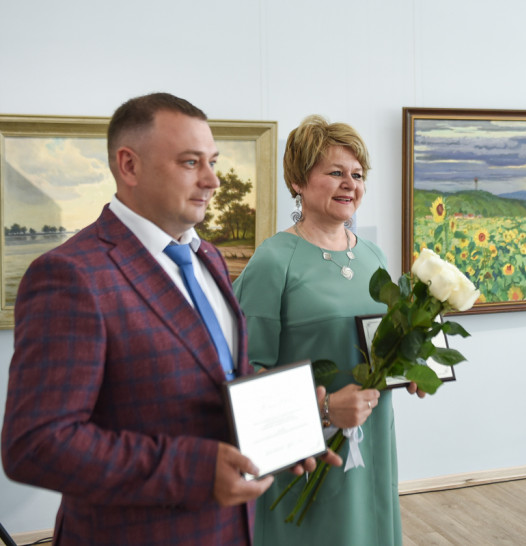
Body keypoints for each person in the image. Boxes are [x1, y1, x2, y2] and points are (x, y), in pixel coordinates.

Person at [1, 93, 339, 546]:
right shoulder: (71, 276)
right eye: (190, 162)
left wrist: (283, 424)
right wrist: (194, 471)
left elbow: (218, 377)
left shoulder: (208, 257)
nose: (212, 180)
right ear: (129, 165)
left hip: (230, 529)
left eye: (212, 162)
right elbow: (35, 444)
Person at [234, 115, 423, 545]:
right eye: (336, 172)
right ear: (298, 181)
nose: (349, 184)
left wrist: (409, 367)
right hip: (305, 454)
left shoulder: (373, 256)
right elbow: (244, 376)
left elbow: (380, 343)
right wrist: (321, 409)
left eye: (357, 175)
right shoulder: (273, 261)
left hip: (372, 439)